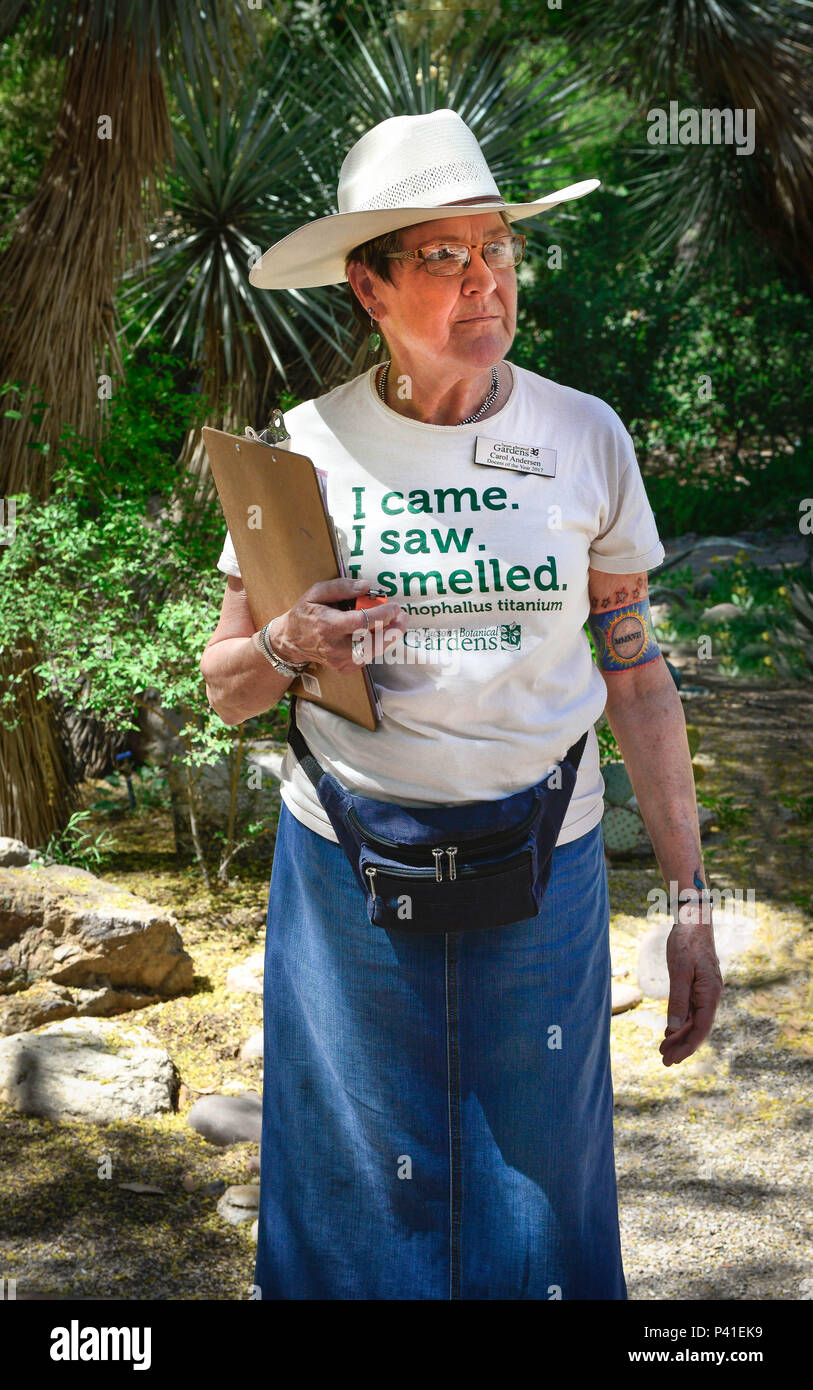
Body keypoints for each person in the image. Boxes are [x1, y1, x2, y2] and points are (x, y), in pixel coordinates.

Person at [199, 109, 723, 1301]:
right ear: (369, 287)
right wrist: (287, 641)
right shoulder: (305, 449)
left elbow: (636, 673)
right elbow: (226, 686)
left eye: (498, 249)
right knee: (354, 1207)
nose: (485, 281)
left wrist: (692, 901)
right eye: (443, 256)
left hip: (547, 865)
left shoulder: (583, 435)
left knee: (541, 1205)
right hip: (346, 877)